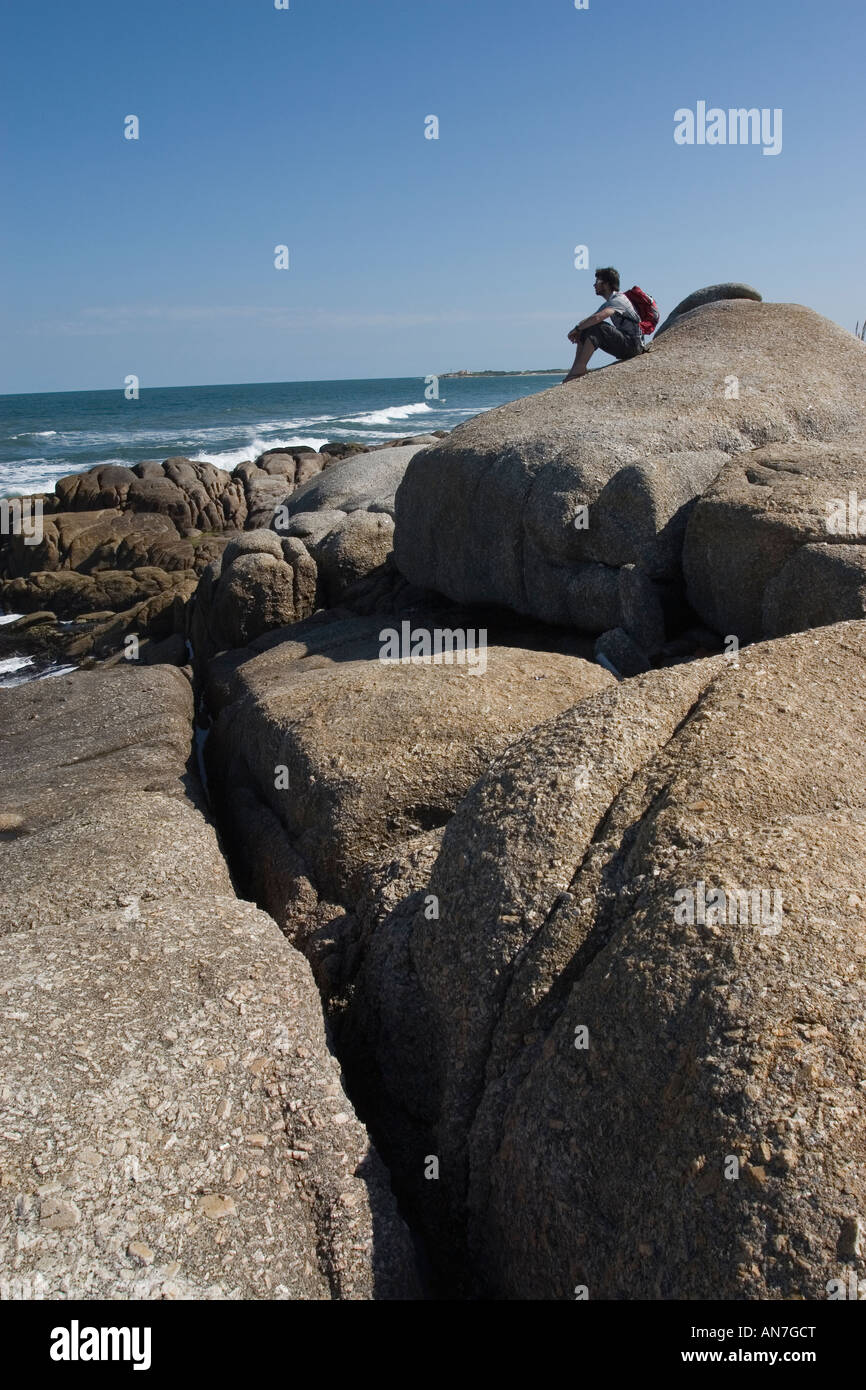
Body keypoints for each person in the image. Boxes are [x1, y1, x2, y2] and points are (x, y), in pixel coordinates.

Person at [563, 267, 643, 382]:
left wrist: (576, 328)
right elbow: (590, 319)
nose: (594, 285)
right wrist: (578, 330)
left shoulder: (618, 299)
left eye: (597, 282)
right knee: (586, 327)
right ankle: (576, 369)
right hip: (626, 345)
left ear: (606, 284)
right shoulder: (609, 302)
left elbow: (598, 317)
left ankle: (579, 368)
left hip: (634, 346)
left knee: (596, 327)